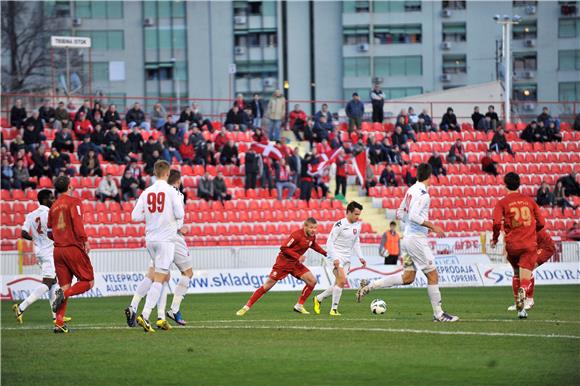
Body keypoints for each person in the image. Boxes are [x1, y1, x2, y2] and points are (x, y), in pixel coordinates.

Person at [357, 163, 459, 322]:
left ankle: (370, 286)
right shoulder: (424, 194)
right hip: (416, 241)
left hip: (407, 240)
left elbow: (399, 213)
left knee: (408, 277)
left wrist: (411, 225)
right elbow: (414, 217)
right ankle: (439, 314)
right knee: (432, 275)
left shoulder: (411, 189)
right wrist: (433, 226)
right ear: (430, 176)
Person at [125, 170, 192, 327]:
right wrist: (181, 228)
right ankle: (169, 311)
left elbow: (136, 216)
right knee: (186, 273)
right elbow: (178, 218)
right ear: (177, 180)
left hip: (155, 236)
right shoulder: (176, 194)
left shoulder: (152, 192)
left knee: (156, 275)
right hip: (170, 237)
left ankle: (135, 306)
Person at [236, 218, 327, 316]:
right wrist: (298, 256)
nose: (313, 230)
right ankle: (246, 307)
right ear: (305, 227)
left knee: (312, 281)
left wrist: (325, 253)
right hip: (283, 263)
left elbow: (313, 245)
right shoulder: (296, 235)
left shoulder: (312, 237)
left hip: (295, 264)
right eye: (311, 228)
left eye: (315, 228)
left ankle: (299, 306)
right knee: (267, 286)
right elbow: (283, 247)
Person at [491, 172, 545, 319]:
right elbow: (542, 223)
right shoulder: (529, 201)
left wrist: (495, 238)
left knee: (516, 273)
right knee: (525, 277)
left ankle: (521, 310)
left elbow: (496, 223)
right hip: (528, 244)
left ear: (505, 185)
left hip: (512, 245)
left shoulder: (502, 202)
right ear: (519, 184)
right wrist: (532, 232)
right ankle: (523, 290)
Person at [49, 176, 95, 333]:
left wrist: (59, 237)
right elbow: (77, 222)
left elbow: (49, 232)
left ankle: (59, 322)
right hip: (72, 248)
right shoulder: (74, 202)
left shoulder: (53, 206)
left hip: (57, 251)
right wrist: (85, 240)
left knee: (64, 285)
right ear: (69, 186)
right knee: (88, 281)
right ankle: (63, 295)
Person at [12, 190, 65, 324]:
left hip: (39, 251)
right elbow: (55, 232)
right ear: (46, 200)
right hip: (49, 252)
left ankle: (56, 317)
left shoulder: (31, 215)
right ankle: (21, 307)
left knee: (53, 283)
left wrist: (35, 239)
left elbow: (23, 233)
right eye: (52, 198)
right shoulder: (50, 214)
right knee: (48, 283)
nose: (53, 200)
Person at [314, 201, 367, 316]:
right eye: (356, 214)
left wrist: (361, 257)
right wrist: (335, 259)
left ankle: (318, 298)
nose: (358, 217)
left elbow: (356, 241)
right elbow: (329, 243)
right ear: (348, 212)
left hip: (347, 258)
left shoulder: (358, 225)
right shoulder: (339, 225)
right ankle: (334, 310)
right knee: (342, 281)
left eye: (359, 214)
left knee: (338, 284)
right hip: (335, 256)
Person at [507, 229, 556, 311]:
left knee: (528, 268)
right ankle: (518, 303)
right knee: (518, 272)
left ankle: (529, 300)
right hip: (532, 247)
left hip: (545, 247)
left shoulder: (527, 224)